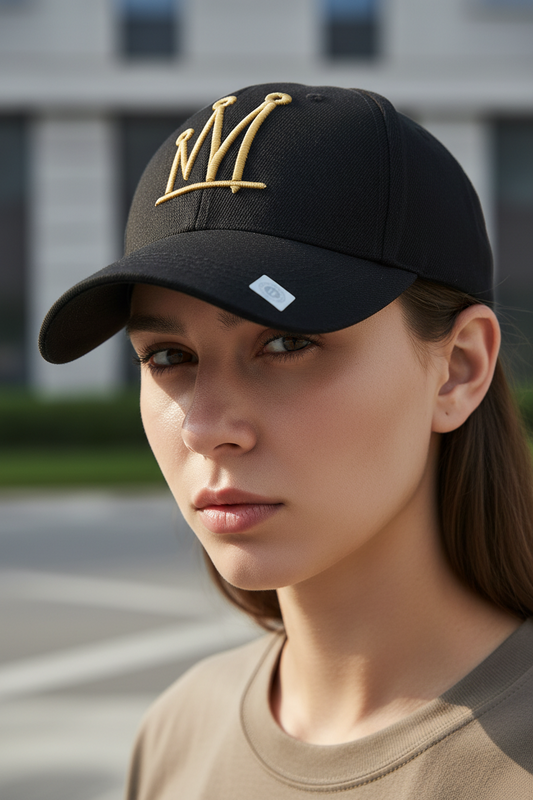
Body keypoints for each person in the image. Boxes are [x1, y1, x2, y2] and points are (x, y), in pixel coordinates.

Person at [39, 84, 533, 798]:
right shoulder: (179, 731)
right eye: (168, 357)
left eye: (285, 343)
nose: (206, 428)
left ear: (458, 369)